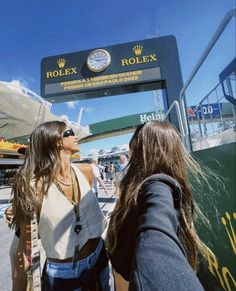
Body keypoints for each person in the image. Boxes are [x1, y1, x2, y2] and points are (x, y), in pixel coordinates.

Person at [107, 120, 208, 291]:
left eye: (135, 144)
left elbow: (157, 243)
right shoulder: (138, 189)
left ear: (145, 149)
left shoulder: (157, 188)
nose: (130, 151)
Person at [11, 121, 110, 291]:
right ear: (56, 141)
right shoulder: (33, 187)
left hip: (99, 257)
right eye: (69, 132)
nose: (76, 136)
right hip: (63, 276)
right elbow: (25, 251)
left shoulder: (86, 171)